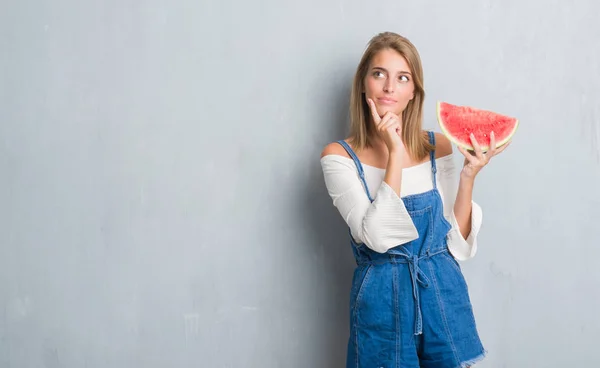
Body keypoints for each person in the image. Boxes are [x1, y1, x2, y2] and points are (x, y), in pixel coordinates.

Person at [320, 32, 510, 367]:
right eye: (379, 74)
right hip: (382, 300)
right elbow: (378, 238)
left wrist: (468, 176)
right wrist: (395, 151)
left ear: (413, 92)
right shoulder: (339, 157)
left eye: (402, 78)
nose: (390, 87)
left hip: (441, 292)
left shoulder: (441, 147)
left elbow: (457, 244)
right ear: (363, 84)